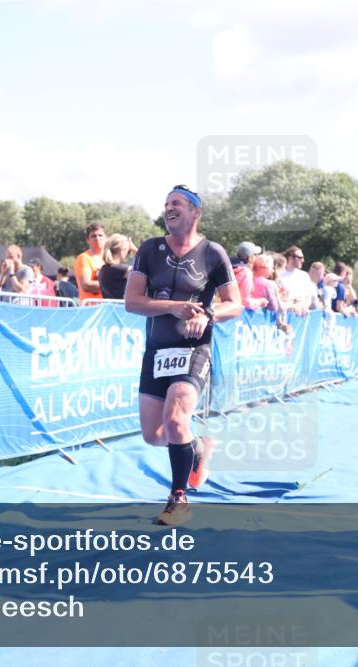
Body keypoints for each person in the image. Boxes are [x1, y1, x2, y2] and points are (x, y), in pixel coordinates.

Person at [124, 185, 242, 526]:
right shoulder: (149, 250)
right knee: (154, 434)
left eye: (176, 203)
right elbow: (132, 302)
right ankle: (197, 448)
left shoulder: (213, 253)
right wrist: (174, 307)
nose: (168, 208)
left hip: (194, 350)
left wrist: (208, 314)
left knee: (176, 419)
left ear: (195, 212)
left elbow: (235, 304)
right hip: (157, 350)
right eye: (165, 204)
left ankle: (178, 499)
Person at [250, 253, 292, 334]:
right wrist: (291, 305)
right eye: (271, 267)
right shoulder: (269, 284)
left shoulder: (248, 278)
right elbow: (274, 306)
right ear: (264, 268)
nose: (272, 270)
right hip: (261, 322)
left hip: (251, 319)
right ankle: (281, 324)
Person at [74, 222, 107, 302]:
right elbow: (86, 285)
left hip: (107, 308)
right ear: (88, 240)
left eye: (100, 235)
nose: (97, 238)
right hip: (90, 308)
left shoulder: (109, 258)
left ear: (106, 238)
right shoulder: (84, 258)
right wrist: (111, 284)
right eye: (93, 236)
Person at [280, 246, 318, 313]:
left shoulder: (304, 276)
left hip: (300, 317)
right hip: (284, 314)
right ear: (291, 258)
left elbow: (308, 297)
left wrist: (304, 308)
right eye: (300, 258)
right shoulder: (279, 274)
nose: (303, 261)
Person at [98, 233, 135, 299]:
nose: (127, 254)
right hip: (120, 308)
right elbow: (144, 270)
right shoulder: (122, 270)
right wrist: (136, 250)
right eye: (128, 251)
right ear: (121, 251)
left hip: (110, 307)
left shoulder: (104, 268)